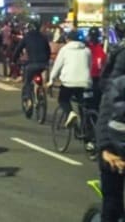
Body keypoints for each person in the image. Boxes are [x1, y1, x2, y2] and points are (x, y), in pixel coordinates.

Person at [46, 30, 92, 128]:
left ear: (68, 39)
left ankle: (70, 113)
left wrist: (51, 80)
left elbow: (57, 66)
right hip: (85, 82)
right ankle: (85, 129)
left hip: (68, 82)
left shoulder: (65, 49)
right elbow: (89, 66)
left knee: (63, 99)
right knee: (81, 104)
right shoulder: (87, 50)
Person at [95, 72, 125, 221]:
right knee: (112, 205)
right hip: (115, 155)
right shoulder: (118, 86)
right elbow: (104, 120)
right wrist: (106, 149)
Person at [12, 20, 51, 118]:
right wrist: (46, 60)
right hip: (43, 64)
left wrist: (14, 60)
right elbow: (48, 51)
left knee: (27, 83)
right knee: (39, 79)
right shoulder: (43, 37)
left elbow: (18, 49)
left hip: (31, 64)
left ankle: (29, 100)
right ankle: (40, 92)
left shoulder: (27, 37)